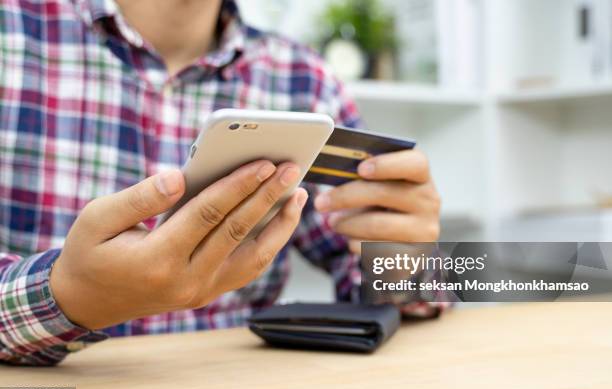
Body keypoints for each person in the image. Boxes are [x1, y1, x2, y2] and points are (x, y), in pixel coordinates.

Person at [0, 0, 442, 366]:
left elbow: (370, 266)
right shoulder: (12, 33)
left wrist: (401, 260)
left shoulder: (303, 78)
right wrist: (66, 296)